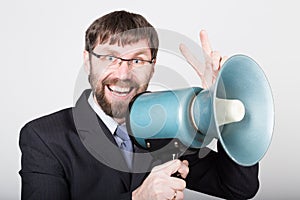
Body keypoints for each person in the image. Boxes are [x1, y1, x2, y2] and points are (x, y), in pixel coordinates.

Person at [19, 10, 259, 200]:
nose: (123, 74)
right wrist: (137, 198)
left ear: (153, 67)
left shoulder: (170, 124)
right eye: (110, 57)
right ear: (88, 62)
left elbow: (238, 188)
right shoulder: (43, 138)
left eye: (137, 60)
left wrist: (219, 105)